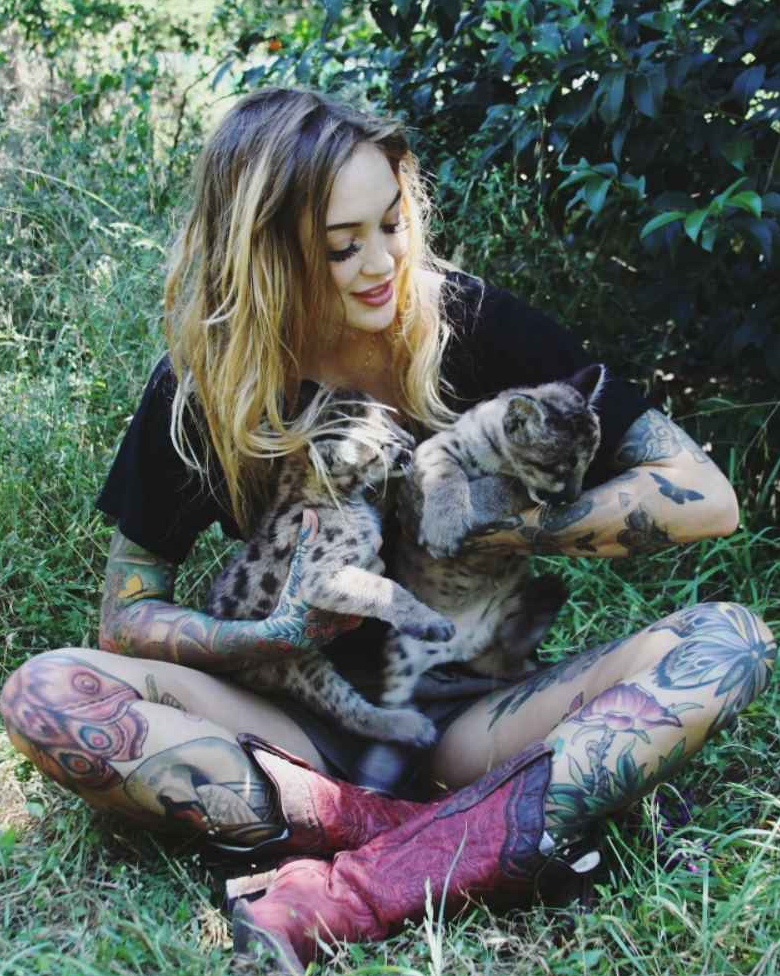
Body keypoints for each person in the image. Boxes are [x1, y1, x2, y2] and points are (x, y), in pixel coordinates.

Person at [1, 87, 775, 972]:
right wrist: (272, 633)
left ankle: (359, 887)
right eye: (342, 246)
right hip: (287, 727)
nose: (380, 263)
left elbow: (706, 497)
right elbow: (127, 613)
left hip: (472, 722)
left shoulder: (468, 322)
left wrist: (506, 527)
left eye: (393, 224)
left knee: (730, 642)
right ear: (265, 253)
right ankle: (477, 831)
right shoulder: (203, 384)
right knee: (45, 694)